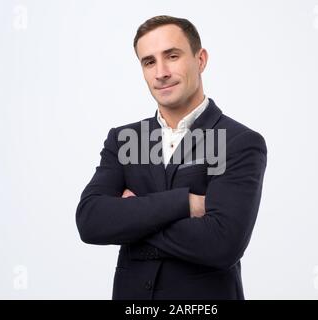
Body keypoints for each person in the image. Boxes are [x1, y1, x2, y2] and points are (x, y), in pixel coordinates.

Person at [76, 15, 267, 300]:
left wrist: (131, 217)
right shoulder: (123, 139)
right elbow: (91, 221)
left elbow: (222, 244)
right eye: (149, 62)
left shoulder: (238, 141)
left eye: (172, 56)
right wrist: (185, 203)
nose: (161, 72)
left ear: (200, 60)